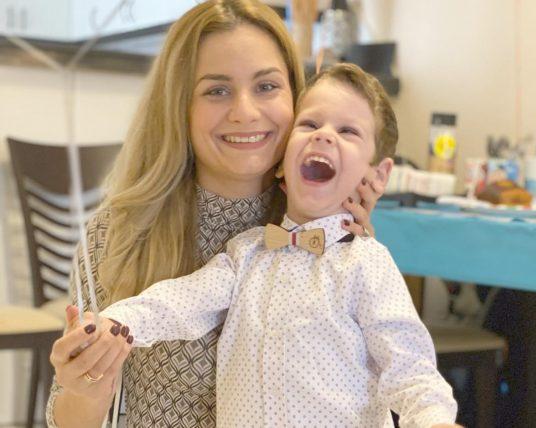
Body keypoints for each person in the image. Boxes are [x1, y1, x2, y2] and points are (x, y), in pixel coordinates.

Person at [47, 1, 383, 427]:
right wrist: (85, 387)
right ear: (179, 107)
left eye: (266, 86)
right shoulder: (119, 233)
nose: (245, 111)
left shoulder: (326, 232)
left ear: (296, 97)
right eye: (216, 91)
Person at [98, 63, 459, 427]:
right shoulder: (245, 253)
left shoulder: (366, 263)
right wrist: (117, 322)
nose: (324, 135)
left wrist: (434, 420)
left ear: (377, 175)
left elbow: (410, 367)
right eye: (310, 124)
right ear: (283, 160)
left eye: (347, 131)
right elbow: (182, 300)